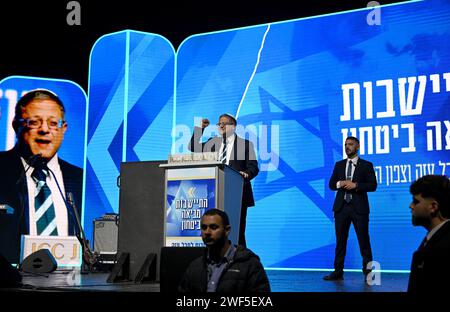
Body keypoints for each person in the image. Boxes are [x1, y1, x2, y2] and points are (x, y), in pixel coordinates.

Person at [0, 89, 83, 263]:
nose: (45, 129)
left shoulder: (81, 180)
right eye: (34, 122)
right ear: (16, 126)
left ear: (64, 129)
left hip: (72, 285)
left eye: (53, 123)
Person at [189, 113, 259, 247]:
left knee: (237, 231)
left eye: (224, 123)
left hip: (238, 193)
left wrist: (245, 174)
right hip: (214, 192)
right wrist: (200, 129)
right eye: (219, 123)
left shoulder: (245, 144)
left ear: (233, 126)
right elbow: (193, 147)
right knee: (215, 230)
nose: (220, 125)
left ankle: (240, 262)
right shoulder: (213, 142)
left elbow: (254, 167)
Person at [324, 136, 377, 282]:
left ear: (357, 146)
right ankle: (338, 271)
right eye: (346, 144)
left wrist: (356, 185)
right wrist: (341, 183)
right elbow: (331, 184)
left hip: (359, 208)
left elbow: (373, 185)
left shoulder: (366, 165)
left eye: (351, 144)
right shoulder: (339, 165)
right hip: (341, 208)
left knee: (364, 241)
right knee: (340, 241)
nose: (347, 147)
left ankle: (368, 273)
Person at [178, 209, 271, 292]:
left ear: (227, 230)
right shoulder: (195, 266)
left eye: (213, 227)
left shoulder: (249, 264)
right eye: (204, 227)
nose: (207, 232)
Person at [407, 175, 450, 294]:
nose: (411, 206)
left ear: (433, 207)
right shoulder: (432, 239)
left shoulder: (443, 248)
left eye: (416, 201)